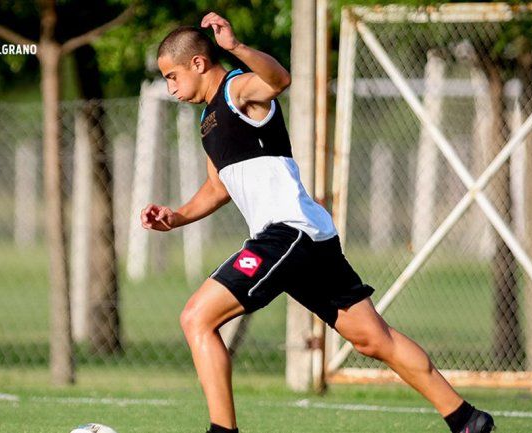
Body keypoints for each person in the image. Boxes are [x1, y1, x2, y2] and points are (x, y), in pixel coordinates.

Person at [140, 12, 495, 433]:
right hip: (308, 237)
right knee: (372, 339)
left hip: (285, 233)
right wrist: (175, 217)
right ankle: (467, 420)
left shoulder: (238, 88)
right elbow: (217, 188)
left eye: (172, 76)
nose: (171, 87)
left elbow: (277, 82)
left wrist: (235, 48)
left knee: (196, 318)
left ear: (198, 63)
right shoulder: (208, 120)